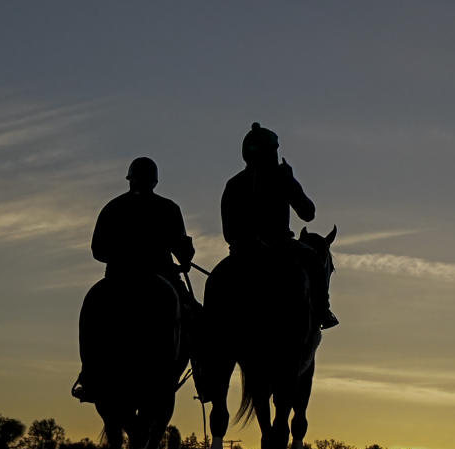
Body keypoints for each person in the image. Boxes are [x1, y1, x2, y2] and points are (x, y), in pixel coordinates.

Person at [72, 157, 196, 402]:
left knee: (91, 317)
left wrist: (123, 255)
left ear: (130, 179)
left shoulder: (113, 207)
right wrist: (185, 256)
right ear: (155, 181)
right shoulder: (169, 208)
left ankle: (89, 376)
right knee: (195, 317)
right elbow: (182, 251)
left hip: (119, 277)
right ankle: (205, 379)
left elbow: (97, 250)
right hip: (161, 274)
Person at [221, 122, 338, 329]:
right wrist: (291, 181)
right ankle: (322, 310)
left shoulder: (234, 183)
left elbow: (229, 231)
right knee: (312, 259)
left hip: (242, 253)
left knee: (219, 283)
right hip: (280, 248)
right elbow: (308, 213)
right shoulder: (281, 178)